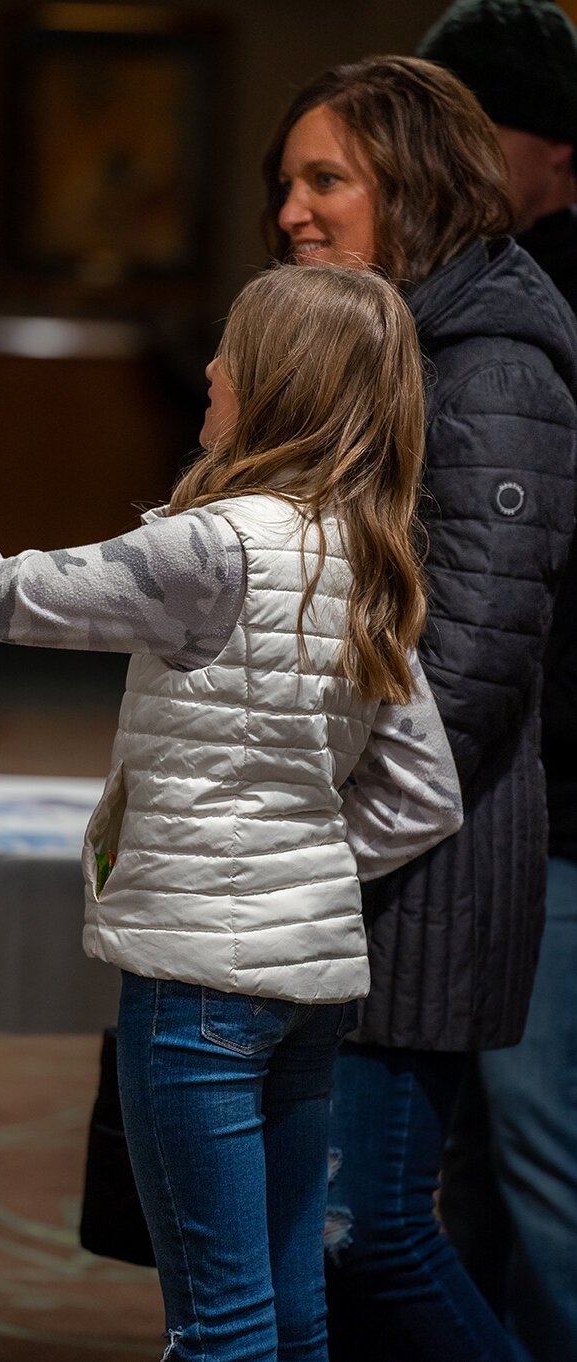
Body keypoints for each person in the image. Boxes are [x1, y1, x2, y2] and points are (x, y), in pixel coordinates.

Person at [0, 263, 462, 1362]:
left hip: (198, 986)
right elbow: (422, 795)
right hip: (307, 985)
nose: (207, 371)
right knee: (293, 1317)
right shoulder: (369, 552)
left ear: (278, 383)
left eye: (231, 354)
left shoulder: (212, 548)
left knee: (219, 1329)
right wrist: (285, 861)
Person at [261, 55, 577, 1362]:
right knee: (344, 1234)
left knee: (377, 1231)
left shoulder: (490, 371)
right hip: (363, 864)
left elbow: (472, 665)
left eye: (325, 178)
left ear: (421, 187)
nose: (291, 209)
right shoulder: (393, 341)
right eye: (287, 181)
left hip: (416, 871)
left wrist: (317, 838)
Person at [417, 6, 577, 1359]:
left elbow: (507, 616)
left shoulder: (526, 315)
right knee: (478, 1168)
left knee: (537, 1169)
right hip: (502, 796)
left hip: (549, 804)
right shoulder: (478, 278)